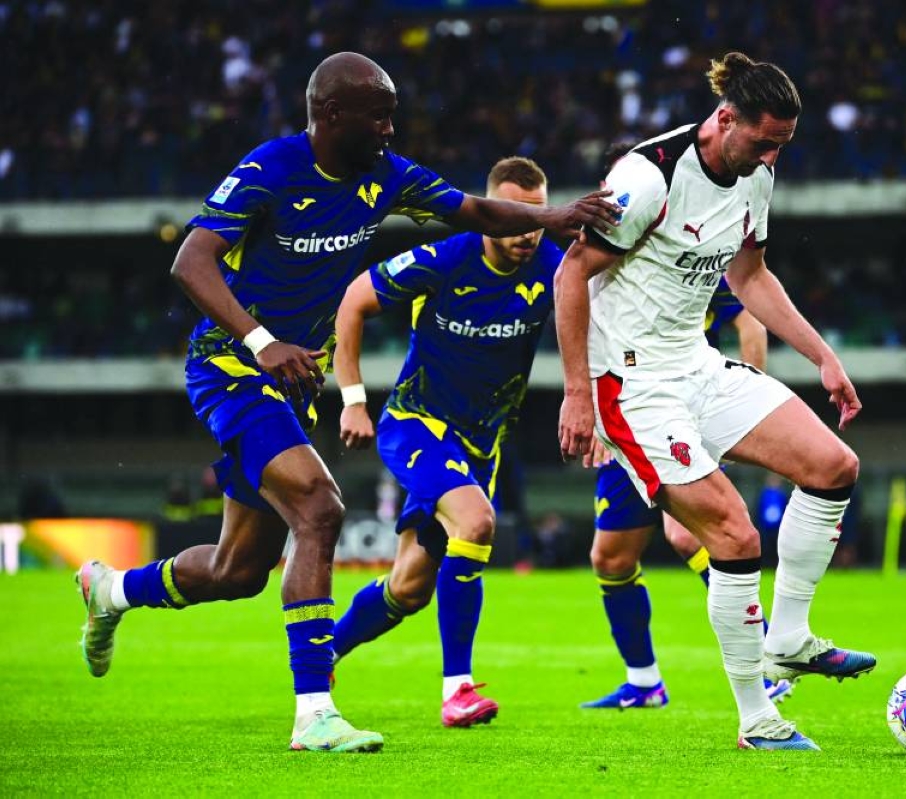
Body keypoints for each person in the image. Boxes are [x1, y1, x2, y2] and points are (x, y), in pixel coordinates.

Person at [73, 53, 619, 754]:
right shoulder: (271, 168)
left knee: (239, 571)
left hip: (293, 383)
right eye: (379, 115)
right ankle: (315, 713)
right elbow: (191, 261)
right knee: (320, 507)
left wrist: (556, 214)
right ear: (331, 115)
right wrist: (263, 341)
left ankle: (113, 590)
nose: (390, 128)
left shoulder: (387, 174)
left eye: (393, 115)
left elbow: (474, 209)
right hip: (233, 367)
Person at [556, 52, 874, 751]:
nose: (772, 157)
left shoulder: (757, 172)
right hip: (631, 386)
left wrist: (822, 356)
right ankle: (758, 718)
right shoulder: (649, 176)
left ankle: (789, 637)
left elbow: (749, 275)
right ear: (725, 118)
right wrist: (577, 392)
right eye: (765, 141)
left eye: (782, 145)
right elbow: (572, 273)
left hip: (697, 364)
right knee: (735, 535)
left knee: (834, 465)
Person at [330, 156, 570, 728]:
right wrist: (353, 399)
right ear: (488, 214)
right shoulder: (445, 258)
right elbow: (354, 301)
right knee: (478, 522)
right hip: (417, 424)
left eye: (537, 217)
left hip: (482, 444)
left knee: (409, 588)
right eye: (513, 217)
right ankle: (457, 690)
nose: (527, 231)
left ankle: (324, 652)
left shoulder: (556, 268)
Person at [582, 275, 795, 709]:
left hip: (681, 414)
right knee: (611, 558)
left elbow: (751, 324)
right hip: (623, 420)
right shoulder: (605, 273)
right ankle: (644, 683)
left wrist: (744, 412)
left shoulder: (690, 263)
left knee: (687, 534)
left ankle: (767, 661)